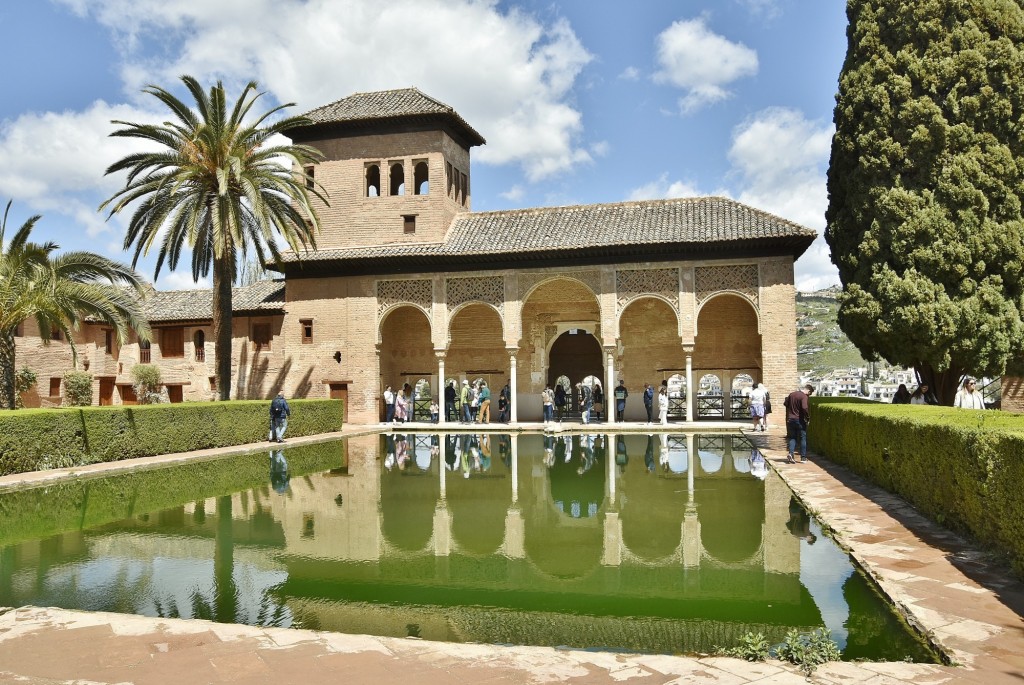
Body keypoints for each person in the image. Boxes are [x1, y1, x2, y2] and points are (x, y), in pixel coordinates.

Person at [783, 384, 813, 463]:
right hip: (799, 420)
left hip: (790, 419)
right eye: (809, 394)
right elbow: (804, 407)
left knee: (793, 438)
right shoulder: (804, 396)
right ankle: (803, 458)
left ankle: (791, 454)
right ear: (808, 391)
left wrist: (792, 409)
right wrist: (807, 417)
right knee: (803, 438)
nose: (808, 396)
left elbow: (785, 403)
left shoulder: (792, 394)